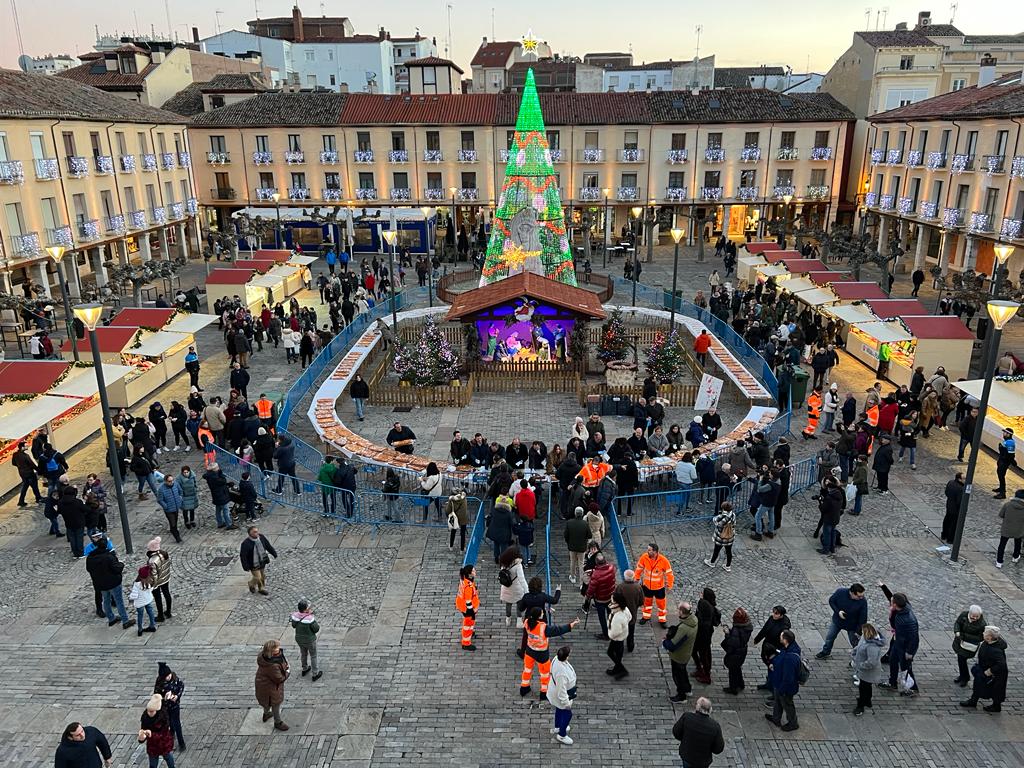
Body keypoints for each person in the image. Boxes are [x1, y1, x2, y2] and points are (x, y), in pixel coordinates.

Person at [520, 607, 579, 699]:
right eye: (542, 613)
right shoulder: (544, 628)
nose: (543, 614)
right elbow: (558, 630)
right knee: (544, 674)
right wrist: (571, 625)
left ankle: (524, 687)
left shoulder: (527, 622)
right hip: (541, 655)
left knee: (527, 670)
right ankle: (544, 692)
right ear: (539, 616)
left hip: (529, 651)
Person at [877, 582, 920, 696]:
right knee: (892, 660)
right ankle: (892, 683)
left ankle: (913, 688)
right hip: (897, 642)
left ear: (895, 605)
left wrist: (910, 652)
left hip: (905, 647)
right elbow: (891, 597)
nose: (890, 603)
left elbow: (914, 638)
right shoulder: (900, 607)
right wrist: (883, 587)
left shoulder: (907, 620)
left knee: (906, 667)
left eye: (892, 603)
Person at [86, 536, 134, 630]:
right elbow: (117, 568)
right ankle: (125, 621)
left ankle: (111, 618)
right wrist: (121, 564)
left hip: (100, 584)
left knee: (106, 600)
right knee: (119, 601)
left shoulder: (90, 557)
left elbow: (89, 569)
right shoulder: (109, 557)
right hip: (113, 583)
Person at [960, 626, 1009, 712]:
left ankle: (996, 706)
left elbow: (1001, 664)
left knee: (996, 690)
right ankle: (973, 700)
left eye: (985, 633)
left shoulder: (996, 650)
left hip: (994, 674)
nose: (983, 633)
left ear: (989, 637)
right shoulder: (988, 642)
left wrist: (990, 671)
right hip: (983, 668)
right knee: (978, 685)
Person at [815, 583, 867, 659]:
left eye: (862, 595)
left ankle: (857, 658)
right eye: (859, 596)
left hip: (852, 626)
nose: (861, 597)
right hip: (837, 621)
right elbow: (831, 601)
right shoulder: (841, 592)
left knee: (855, 643)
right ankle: (825, 652)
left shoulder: (862, 601)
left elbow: (863, 618)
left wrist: (858, 631)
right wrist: (838, 611)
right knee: (830, 637)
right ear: (852, 593)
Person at [672, 697, 725, 768]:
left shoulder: (687, 717)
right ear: (710, 709)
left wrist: (685, 739)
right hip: (703, 761)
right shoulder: (715, 726)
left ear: (698, 707)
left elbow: (676, 732)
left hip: (687, 756)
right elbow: (718, 748)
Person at [765, 629, 801, 731]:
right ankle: (776, 718)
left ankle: (793, 723)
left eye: (781, 637)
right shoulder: (789, 648)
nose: (779, 638)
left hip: (784, 688)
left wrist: (781, 689)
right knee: (778, 702)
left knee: (788, 705)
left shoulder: (790, 658)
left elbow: (788, 678)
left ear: (785, 640)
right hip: (778, 682)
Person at [663, 601, 699, 703]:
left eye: (678, 609)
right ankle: (687, 689)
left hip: (679, 656)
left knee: (678, 676)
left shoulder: (684, 628)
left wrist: (664, 642)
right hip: (686, 653)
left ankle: (681, 696)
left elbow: (672, 645)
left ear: (682, 612)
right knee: (683, 673)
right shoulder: (694, 620)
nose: (677, 611)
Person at [254, 639, 290, 730]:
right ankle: (278, 722)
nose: (279, 648)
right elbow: (279, 678)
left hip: (262, 684)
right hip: (271, 687)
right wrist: (287, 672)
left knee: (266, 701)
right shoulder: (273, 666)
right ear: (272, 651)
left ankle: (266, 714)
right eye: (277, 647)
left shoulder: (263, 656)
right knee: (275, 703)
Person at [636, 542, 675, 626]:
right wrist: (637, 578)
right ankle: (646, 616)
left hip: (659, 588)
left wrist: (669, 585)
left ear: (655, 552)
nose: (647, 552)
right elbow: (639, 568)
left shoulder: (664, 561)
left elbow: (669, 573)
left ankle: (662, 619)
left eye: (649, 550)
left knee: (661, 605)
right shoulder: (644, 557)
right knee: (647, 603)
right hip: (646, 586)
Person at [851, 622, 885, 715]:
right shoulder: (865, 638)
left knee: (863, 688)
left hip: (867, 672)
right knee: (866, 686)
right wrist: (854, 652)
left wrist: (861, 665)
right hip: (864, 671)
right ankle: (868, 701)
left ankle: (861, 706)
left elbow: (871, 662)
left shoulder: (872, 646)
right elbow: (859, 646)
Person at [547, 646, 577, 745]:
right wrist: (566, 703)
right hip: (560, 695)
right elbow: (561, 691)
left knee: (559, 709)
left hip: (555, 691)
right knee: (568, 713)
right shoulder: (562, 674)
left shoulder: (556, 659)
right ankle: (562, 735)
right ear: (566, 657)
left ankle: (558, 727)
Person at [721, 608, 753, 695]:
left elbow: (732, 644)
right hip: (742, 651)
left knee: (733, 671)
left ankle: (733, 688)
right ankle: (740, 683)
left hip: (735, 654)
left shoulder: (736, 630)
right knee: (737, 668)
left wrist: (727, 634)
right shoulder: (748, 627)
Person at [138, 694, 176, 768]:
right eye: (149, 711)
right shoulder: (145, 717)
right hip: (153, 746)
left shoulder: (163, 717)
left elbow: (164, 734)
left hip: (164, 744)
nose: (149, 713)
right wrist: (142, 737)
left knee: (169, 758)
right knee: (153, 764)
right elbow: (143, 730)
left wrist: (151, 734)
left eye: (152, 711)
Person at [154, 662, 185, 752]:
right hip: (165, 708)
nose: (169, 677)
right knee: (169, 722)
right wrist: (164, 698)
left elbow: (181, 686)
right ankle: (171, 734)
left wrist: (177, 696)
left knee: (177, 724)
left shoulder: (174, 678)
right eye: (166, 676)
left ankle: (181, 743)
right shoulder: (160, 684)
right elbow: (156, 695)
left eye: (169, 675)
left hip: (175, 706)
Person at [953, 604, 987, 686]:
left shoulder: (982, 624)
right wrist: (957, 631)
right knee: (960, 659)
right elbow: (957, 623)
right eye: (973, 616)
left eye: (977, 616)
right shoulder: (964, 615)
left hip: (969, 645)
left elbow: (980, 637)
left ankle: (965, 678)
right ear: (969, 613)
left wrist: (964, 636)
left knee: (962, 659)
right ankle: (963, 676)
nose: (975, 618)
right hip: (960, 642)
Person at [693, 588, 721, 685]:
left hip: (702, 635)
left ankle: (705, 674)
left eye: (702, 593)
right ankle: (702, 670)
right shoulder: (709, 605)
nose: (700, 593)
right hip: (706, 634)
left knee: (703, 654)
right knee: (704, 653)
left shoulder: (704, 604)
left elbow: (701, 620)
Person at [291, 599, 323, 681]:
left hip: (299, 639)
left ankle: (304, 668)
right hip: (309, 640)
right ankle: (315, 673)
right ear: (305, 609)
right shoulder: (309, 619)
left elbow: (294, 625)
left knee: (303, 653)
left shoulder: (296, 616)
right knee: (313, 655)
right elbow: (316, 629)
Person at [240, 526, 278, 596]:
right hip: (253, 564)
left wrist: (274, 553)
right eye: (254, 532)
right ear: (250, 534)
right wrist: (245, 566)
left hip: (262, 561)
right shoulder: (245, 544)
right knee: (258, 577)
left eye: (257, 531)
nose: (257, 533)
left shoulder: (261, 537)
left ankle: (261, 588)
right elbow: (243, 556)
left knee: (262, 576)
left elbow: (268, 546)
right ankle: (252, 584)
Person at [587, 553, 617, 640]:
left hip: (600, 600)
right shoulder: (611, 568)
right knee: (610, 615)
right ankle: (612, 630)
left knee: (602, 618)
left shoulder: (596, 575)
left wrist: (588, 597)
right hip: (610, 596)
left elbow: (591, 589)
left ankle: (605, 634)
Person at [499, 545, 527, 626]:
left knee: (508, 603)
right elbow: (522, 579)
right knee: (519, 603)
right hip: (516, 588)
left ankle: (508, 619)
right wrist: (526, 590)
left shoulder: (504, 563)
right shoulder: (518, 565)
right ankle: (519, 621)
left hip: (506, 587)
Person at [146, 537, 173, 622]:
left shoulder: (152, 561)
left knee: (158, 598)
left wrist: (153, 585)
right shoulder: (164, 554)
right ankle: (168, 612)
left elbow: (154, 575)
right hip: (165, 578)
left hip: (158, 581)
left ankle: (160, 616)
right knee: (166, 594)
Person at [704, 502, 736, 571]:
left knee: (716, 550)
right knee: (729, 551)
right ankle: (728, 566)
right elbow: (734, 524)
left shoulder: (721, 516)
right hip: (729, 537)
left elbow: (716, 522)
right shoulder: (733, 515)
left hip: (720, 538)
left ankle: (712, 562)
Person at [996, 489, 1024, 567]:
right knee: (1018, 543)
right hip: (1019, 530)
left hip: (1006, 529)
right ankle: (1015, 557)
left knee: (1002, 545)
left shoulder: (1007, 505)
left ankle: (999, 561)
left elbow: (1001, 515)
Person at [455, 564, 479, 650]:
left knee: (469, 622)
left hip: (461, 605)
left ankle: (470, 632)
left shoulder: (464, 579)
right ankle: (466, 643)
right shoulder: (468, 586)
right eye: (473, 571)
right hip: (467, 608)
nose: (475, 572)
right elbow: (468, 600)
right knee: (468, 624)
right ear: (469, 573)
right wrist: (471, 611)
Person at [564, 507, 591, 584]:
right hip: (582, 547)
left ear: (575, 513)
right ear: (582, 514)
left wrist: (568, 542)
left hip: (572, 547)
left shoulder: (569, 523)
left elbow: (566, 535)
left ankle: (572, 577)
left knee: (572, 562)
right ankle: (581, 581)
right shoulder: (585, 524)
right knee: (581, 563)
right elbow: (589, 535)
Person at [12, 441, 43, 507]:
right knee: (34, 486)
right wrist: (39, 470)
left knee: (25, 486)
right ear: (22, 447)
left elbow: (13, 463)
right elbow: (32, 465)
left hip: (22, 473)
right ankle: (38, 498)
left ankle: (21, 501)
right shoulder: (26, 456)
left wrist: (20, 466)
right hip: (29, 473)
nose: (27, 446)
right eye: (26, 446)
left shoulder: (15, 455)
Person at [130, 566, 158, 636]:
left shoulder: (136, 584)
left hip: (140, 603)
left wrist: (131, 598)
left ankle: (140, 630)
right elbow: (151, 589)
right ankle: (152, 625)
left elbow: (134, 595)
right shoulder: (148, 582)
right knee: (150, 612)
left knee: (140, 615)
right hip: (147, 600)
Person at [155, 475, 184, 543]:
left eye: (172, 480)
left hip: (176, 507)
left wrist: (180, 498)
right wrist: (166, 506)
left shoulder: (176, 484)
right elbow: (159, 500)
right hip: (169, 510)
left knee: (175, 521)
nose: (171, 482)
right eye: (169, 481)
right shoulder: (161, 489)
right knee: (173, 523)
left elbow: (180, 491)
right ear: (165, 481)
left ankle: (174, 530)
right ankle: (177, 537)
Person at [941, 471, 966, 544]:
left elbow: (946, 492)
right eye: (964, 478)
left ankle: (944, 535)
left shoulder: (950, 482)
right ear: (959, 479)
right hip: (955, 509)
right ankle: (950, 539)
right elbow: (959, 501)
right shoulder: (961, 489)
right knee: (953, 524)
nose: (965, 480)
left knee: (947, 520)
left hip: (949, 505)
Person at [994, 428, 1017, 499]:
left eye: (1005, 432)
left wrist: (1001, 448)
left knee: (1001, 476)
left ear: (1009, 434)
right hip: (1002, 460)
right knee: (1000, 475)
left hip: (1004, 462)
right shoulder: (1007, 441)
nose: (1003, 433)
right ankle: (1001, 488)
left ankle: (1002, 493)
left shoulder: (1010, 442)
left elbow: (1010, 455)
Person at [445, 487, 469, 551]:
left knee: (453, 532)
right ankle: (462, 549)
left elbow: (447, 511)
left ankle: (451, 546)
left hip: (455, 518)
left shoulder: (451, 500)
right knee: (463, 533)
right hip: (464, 517)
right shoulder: (464, 498)